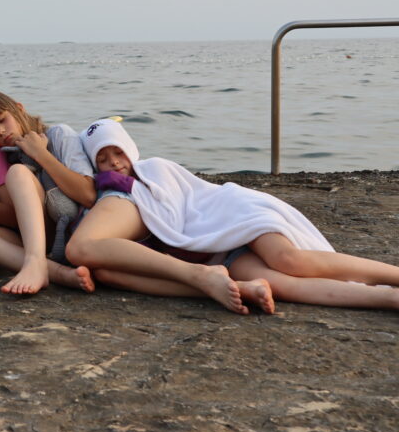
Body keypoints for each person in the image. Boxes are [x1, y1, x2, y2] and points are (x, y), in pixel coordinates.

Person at [66, 118, 399, 314]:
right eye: (102, 159)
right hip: (217, 251)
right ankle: (387, 298)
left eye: (118, 152)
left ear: (131, 150)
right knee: (283, 286)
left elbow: (179, 209)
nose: (113, 163)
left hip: (233, 215)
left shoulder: (155, 168)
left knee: (288, 259)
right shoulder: (113, 198)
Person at [0, 89, 96, 296]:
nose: (0, 131)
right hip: (38, 238)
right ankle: (60, 274)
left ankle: (35, 263)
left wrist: (40, 154)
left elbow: (88, 195)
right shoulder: (7, 154)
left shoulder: (58, 135)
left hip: (70, 232)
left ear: (19, 109)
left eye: (2, 120)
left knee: (18, 173)